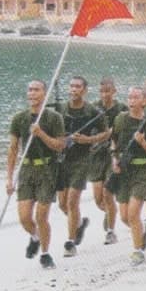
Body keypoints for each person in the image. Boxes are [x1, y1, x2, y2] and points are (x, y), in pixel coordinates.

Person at [6, 80, 66, 269]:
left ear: (44, 93)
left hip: (47, 169)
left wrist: (40, 134)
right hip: (27, 169)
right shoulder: (19, 118)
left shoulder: (53, 118)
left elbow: (60, 145)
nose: (32, 93)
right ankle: (35, 236)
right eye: (29, 90)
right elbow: (13, 149)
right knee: (24, 217)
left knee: (41, 216)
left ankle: (46, 254)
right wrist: (9, 177)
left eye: (36, 90)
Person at [56, 76, 110, 257]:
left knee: (72, 201)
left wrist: (88, 140)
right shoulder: (61, 109)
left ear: (85, 90)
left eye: (78, 86)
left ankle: (70, 243)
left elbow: (106, 133)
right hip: (62, 159)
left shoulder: (92, 111)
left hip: (82, 159)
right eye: (71, 86)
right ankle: (79, 224)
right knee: (62, 204)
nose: (74, 89)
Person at [109, 86, 146, 265]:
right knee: (124, 216)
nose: (131, 101)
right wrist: (114, 159)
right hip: (124, 171)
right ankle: (140, 234)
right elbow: (114, 141)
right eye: (129, 98)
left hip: (144, 171)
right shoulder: (120, 119)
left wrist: (143, 143)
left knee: (133, 213)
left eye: (136, 98)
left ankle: (138, 251)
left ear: (144, 101)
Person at [93, 77, 127, 245]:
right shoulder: (94, 108)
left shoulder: (121, 109)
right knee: (98, 198)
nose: (104, 95)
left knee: (107, 192)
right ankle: (110, 211)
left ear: (114, 91)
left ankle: (111, 231)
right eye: (101, 91)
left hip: (113, 154)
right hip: (96, 156)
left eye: (107, 91)